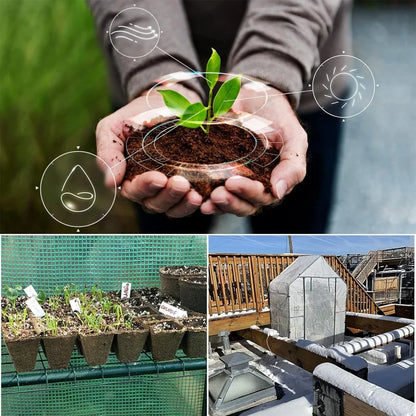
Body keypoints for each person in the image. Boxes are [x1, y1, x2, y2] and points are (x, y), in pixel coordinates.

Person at [87, 0, 353, 233]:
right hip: (147, 86)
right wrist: (157, 70)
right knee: (173, 240)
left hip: (298, 69)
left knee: (293, 234)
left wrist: (273, 65)